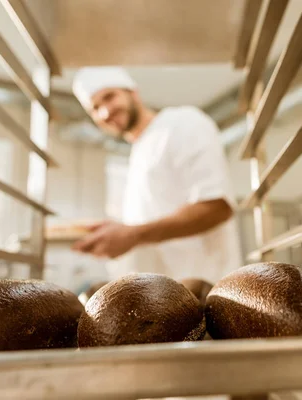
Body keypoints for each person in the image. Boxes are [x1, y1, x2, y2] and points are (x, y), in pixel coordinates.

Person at [71, 67, 242, 283]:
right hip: (160, 298)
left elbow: (216, 207)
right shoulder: (138, 152)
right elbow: (151, 222)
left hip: (203, 293)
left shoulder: (182, 123)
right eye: (95, 108)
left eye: (109, 96)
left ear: (133, 92)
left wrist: (132, 235)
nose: (105, 112)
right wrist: (116, 230)